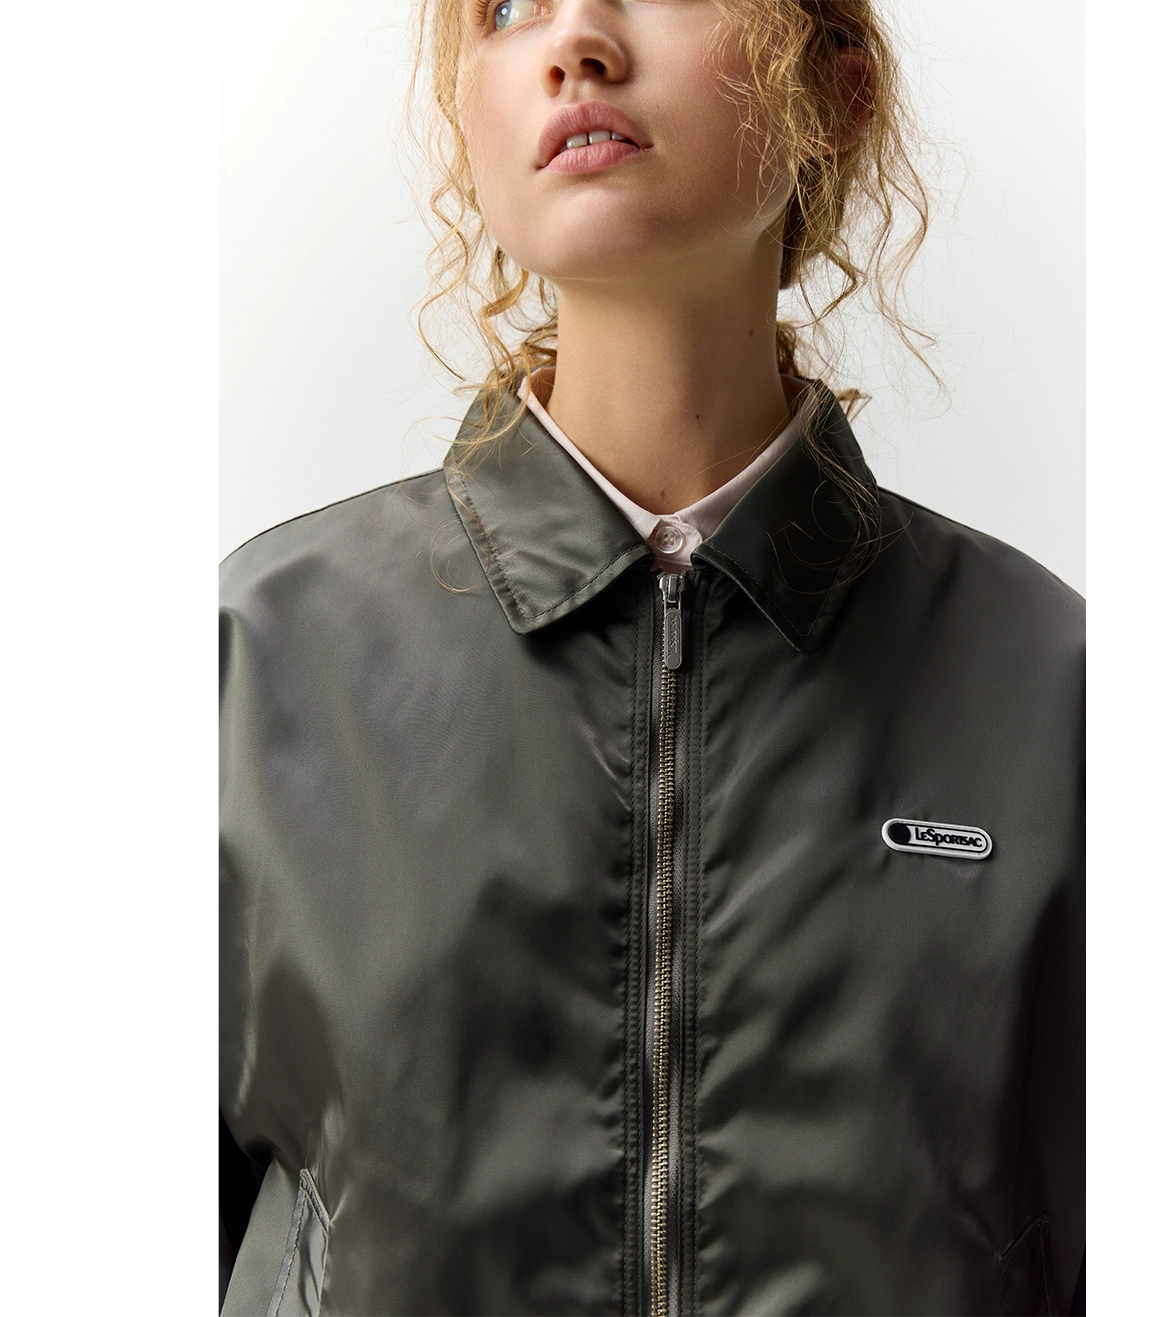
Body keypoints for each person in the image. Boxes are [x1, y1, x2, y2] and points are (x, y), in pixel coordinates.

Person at [217, 0, 1086, 1311]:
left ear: (836, 90)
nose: (576, 39)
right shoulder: (261, 663)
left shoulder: (1056, 691)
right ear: (468, 117)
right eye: (509, 8)